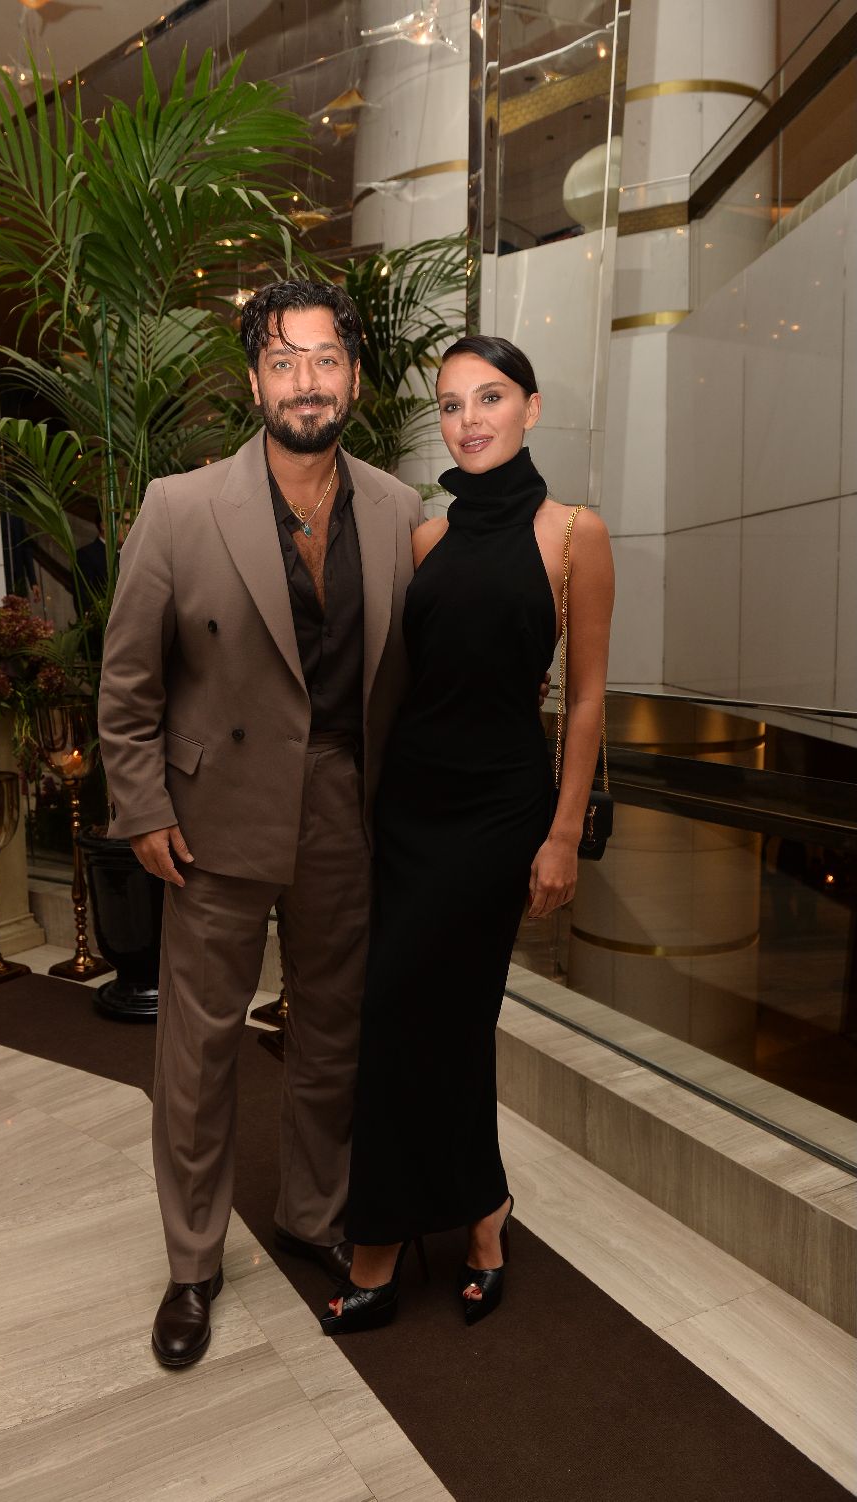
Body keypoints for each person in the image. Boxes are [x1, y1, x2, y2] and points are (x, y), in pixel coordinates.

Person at [98, 280, 424, 1369]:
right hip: (211, 818)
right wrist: (143, 805)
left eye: (325, 360)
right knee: (199, 1049)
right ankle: (192, 1261)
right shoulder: (179, 505)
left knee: (333, 1032)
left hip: (344, 807)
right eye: (284, 362)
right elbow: (128, 681)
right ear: (254, 382)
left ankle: (312, 1211)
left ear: (354, 379)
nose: (306, 382)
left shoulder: (397, 509)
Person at [322, 335, 614, 1336]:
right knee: (421, 1019)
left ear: (531, 406)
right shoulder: (426, 540)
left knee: (425, 1011)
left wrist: (562, 833)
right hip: (413, 807)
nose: (469, 419)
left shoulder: (574, 534)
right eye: (450, 405)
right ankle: (481, 1211)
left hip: (500, 811)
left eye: (489, 397)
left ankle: (378, 1242)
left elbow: (585, 699)